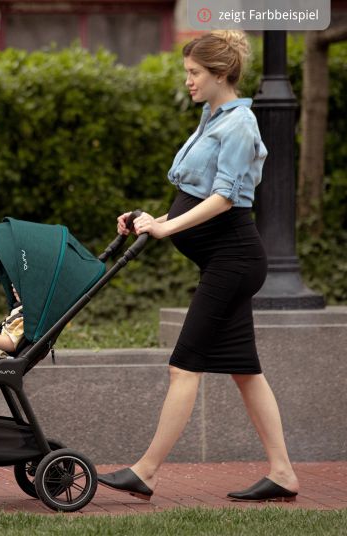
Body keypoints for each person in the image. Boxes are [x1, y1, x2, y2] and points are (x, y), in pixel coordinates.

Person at [97, 30, 299, 503]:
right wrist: (153, 221)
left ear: (221, 75)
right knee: (246, 372)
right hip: (224, 261)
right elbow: (194, 197)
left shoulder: (240, 124)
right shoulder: (212, 118)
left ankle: (145, 472)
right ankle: (285, 474)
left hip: (232, 260)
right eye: (187, 72)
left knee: (183, 367)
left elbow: (226, 197)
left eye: (194, 73)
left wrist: (168, 229)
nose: (187, 81)